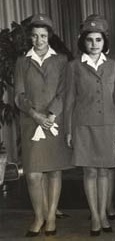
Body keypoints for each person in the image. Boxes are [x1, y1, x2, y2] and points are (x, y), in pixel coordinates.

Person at [64, 16, 115, 236]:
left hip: (109, 126)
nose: (93, 44)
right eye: (89, 40)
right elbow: (69, 100)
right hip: (84, 126)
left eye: (98, 39)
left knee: (104, 173)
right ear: (83, 42)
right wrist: (69, 130)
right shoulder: (74, 66)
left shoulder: (114, 66)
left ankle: (103, 214)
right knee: (90, 172)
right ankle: (95, 218)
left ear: (104, 42)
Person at [14, 14, 72, 237]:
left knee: (54, 172)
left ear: (50, 37)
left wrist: (50, 114)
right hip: (31, 123)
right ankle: (38, 216)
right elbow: (18, 95)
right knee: (33, 175)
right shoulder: (22, 62)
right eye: (35, 36)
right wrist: (34, 114)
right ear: (31, 37)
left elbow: (64, 92)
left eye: (43, 36)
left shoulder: (61, 61)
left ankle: (50, 217)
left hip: (53, 122)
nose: (39, 40)